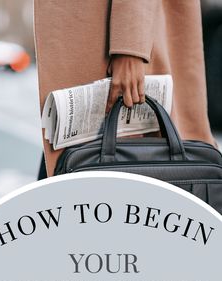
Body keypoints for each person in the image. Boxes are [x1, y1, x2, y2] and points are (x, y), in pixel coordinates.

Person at [34, 0, 216, 177]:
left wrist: (130, 46)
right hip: (96, 34)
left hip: (115, 36)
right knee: (72, 161)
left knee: (82, 167)